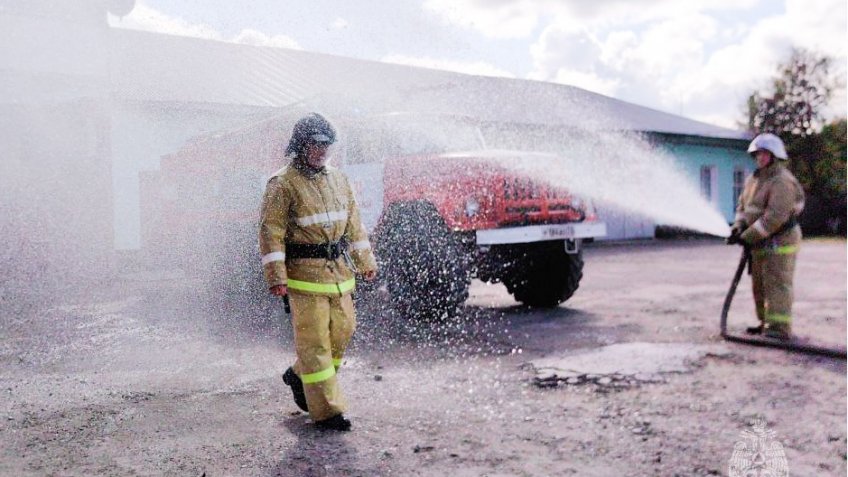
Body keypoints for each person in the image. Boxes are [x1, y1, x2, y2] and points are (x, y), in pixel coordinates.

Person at [258, 113, 378, 431]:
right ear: (301, 146)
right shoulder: (282, 184)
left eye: (328, 145)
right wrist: (276, 277)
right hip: (303, 279)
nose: (323, 151)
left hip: (339, 275)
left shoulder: (339, 179)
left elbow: (354, 225)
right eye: (316, 145)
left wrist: (365, 262)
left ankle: (299, 375)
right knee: (316, 344)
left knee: (344, 330)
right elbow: (271, 232)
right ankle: (326, 412)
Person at [727, 133, 805, 341]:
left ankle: (779, 328)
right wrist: (738, 227)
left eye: (764, 154)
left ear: (775, 155)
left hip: (781, 242)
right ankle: (765, 324)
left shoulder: (782, 181)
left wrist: (748, 236)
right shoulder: (754, 179)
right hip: (760, 241)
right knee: (759, 284)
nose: (760, 158)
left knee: (777, 284)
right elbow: (743, 208)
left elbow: (775, 217)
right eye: (757, 154)